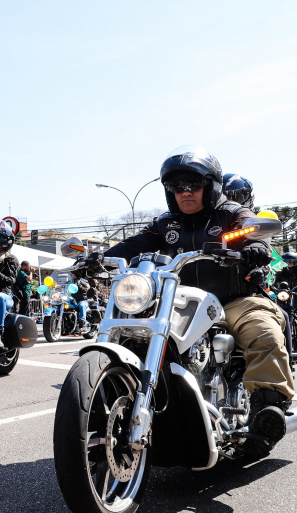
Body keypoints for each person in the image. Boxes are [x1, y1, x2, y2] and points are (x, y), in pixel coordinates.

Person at [103, 146, 293, 457]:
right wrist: (99, 256)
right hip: (181, 303)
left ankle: (267, 408)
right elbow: (134, 243)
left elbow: (253, 227)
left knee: (263, 329)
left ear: (212, 186)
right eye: (177, 187)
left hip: (234, 300)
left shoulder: (231, 213)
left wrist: (256, 244)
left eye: (194, 184)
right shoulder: (166, 224)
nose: (186, 192)